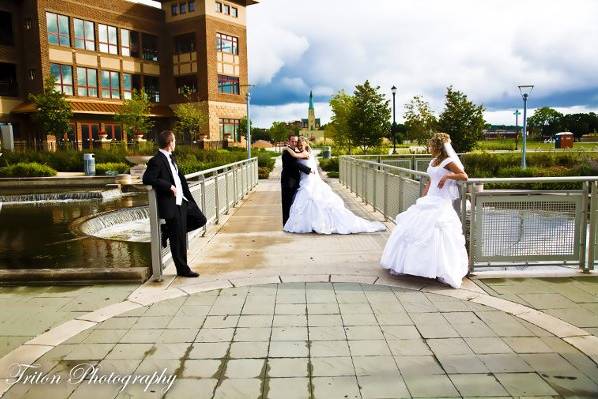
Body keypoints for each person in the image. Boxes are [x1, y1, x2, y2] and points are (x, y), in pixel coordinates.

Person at [380, 132, 468, 288]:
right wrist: (423, 196)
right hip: (429, 199)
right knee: (413, 229)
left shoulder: (448, 161)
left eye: (431, 145)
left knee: (437, 232)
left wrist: (447, 177)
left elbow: (463, 175)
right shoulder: (434, 161)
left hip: (441, 202)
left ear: (438, 146)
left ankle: (439, 269)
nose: (429, 147)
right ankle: (412, 266)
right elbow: (430, 180)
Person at [284, 137, 386, 235]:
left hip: (310, 181)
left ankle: (315, 223)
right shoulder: (302, 152)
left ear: (306, 144)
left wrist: (286, 148)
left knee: (311, 199)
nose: (300, 146)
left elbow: (295, 155)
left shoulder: (305, 153)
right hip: (305, 179)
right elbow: (296, 158)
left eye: (301, 144)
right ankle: (309, 223)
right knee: (307, 201)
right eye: (299, 145)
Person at [142, 130, 206, 278]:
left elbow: (178, 178)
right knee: (179, 239)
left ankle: (169, 231)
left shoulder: (171, 158)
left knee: (200, 219)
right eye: (175, 140)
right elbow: (147, 179)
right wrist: (168, 186)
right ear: (170, 143)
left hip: (182, 201)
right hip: (171, 204)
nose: (175, 143)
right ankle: (183, 269)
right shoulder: (156, 160)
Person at [281, 135, 312, 226]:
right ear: (289, 141)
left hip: (296, 180)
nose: (294, 143)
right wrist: (309, 170)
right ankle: (286, 224)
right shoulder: (287, 152)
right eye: (292, 141)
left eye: (296, 141)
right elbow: (294, 164)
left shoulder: (293, 151)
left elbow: (298, 156)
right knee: (287, 203)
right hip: (288, 181)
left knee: (294, 203)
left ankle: (294, 223)